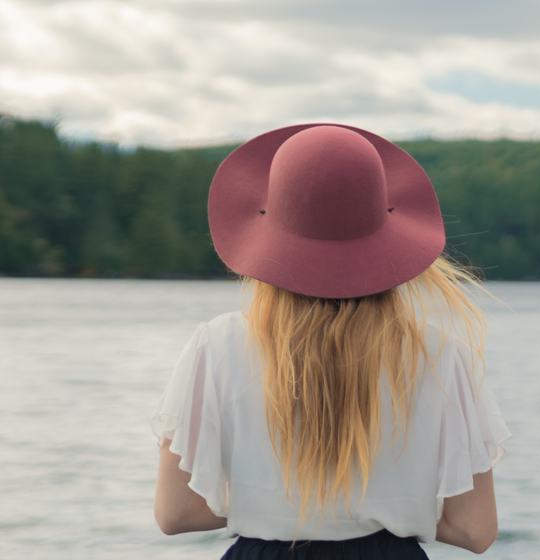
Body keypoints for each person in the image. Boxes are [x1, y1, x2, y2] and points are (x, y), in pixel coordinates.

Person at [150, 122, 510, 558]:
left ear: (268, 231)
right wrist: (386, 511)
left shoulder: (217, 346)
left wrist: (273, 507)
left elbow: (175, 514)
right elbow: (476, 530)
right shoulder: (438, 355)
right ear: (385, 232)